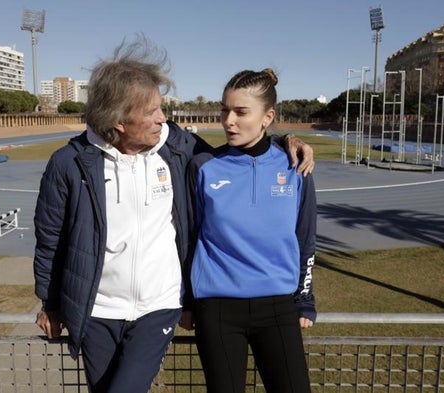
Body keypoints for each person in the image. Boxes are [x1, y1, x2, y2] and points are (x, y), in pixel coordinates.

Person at [33, 35, 314, 393]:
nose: (162, 118)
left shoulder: (179, 148)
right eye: (151, 111)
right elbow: (50, 240)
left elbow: (247, 153)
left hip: (160, 305)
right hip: (99, 310)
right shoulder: (69, 164)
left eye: (160, 108)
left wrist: (282, 141)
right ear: (119, 120)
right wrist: (50, 302)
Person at [183, 68, 317, 393]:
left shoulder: (296, 165)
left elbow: (305, 235)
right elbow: (188, 237)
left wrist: (304, 297)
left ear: (267, 117)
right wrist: (186, 301)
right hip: (217, 308)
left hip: (278, 306)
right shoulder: (203, 166)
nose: (228, 120)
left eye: (241, 112)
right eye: (225, 110)